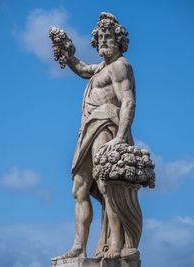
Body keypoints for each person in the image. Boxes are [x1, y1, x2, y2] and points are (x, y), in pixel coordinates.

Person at [56, 12, 136, 259]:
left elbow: (128, 102)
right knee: (79, 188)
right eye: (100, 36)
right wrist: (68, 55)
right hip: (88, 128)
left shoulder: (121, 66)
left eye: (108, 36)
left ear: (119, 40)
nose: (103, 40)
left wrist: (121, 137)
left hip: (105, 125)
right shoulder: (102, 67)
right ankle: (79, 245)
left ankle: (116, 244)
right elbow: (82, 69)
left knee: (106, 184)